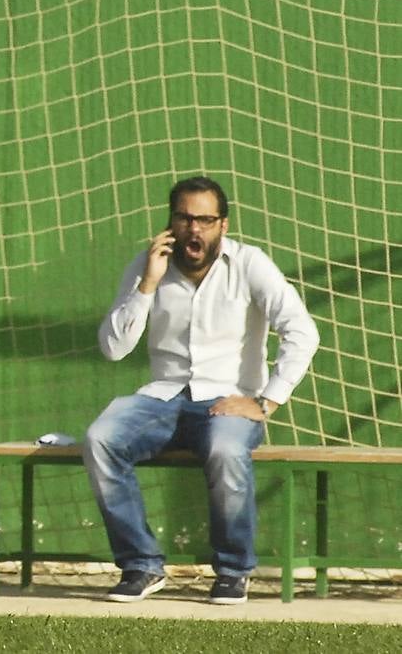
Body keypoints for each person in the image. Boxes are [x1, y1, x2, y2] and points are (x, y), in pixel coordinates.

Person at [83, 175, 318, 605]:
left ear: (223, 225)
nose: (195, 229)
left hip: (228, 400)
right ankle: (141, 565)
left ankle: (233, 571)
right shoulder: (146, 264)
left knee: (226, 450)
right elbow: (113, 348)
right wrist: (147, 285)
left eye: (205, 220)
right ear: (171, 221)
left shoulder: (249, 264)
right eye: (185, 218)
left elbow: (302, 331)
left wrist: (266, 400)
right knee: (101, 439)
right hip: (162, 396)